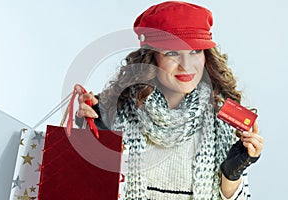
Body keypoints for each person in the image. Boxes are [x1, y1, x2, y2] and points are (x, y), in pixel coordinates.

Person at [74, 1, 263, 199]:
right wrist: (92, 138)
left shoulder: (224, 120)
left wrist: (231, 175)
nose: (186, 65)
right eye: (172, 53)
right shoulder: (113, 112)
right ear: (151, 58)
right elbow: (87, 190)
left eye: (195, 51)